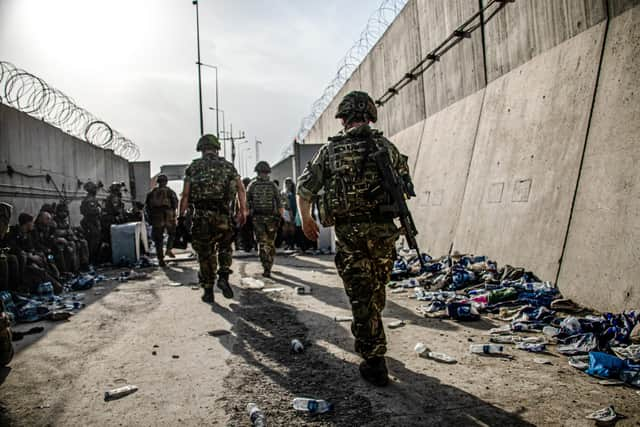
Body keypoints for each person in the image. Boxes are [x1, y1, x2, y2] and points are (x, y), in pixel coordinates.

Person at [296, 90, 414, 387]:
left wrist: (307, 219)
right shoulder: (387, 147)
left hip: (351, 233)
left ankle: (374, 359)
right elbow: (404, 185)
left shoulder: (330, 152)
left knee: (362, 293)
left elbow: (305, 189)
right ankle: (373, 341)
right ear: (370, 116)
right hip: (384, 232)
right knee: (375, 289)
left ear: (344, 118)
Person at [179, 134, 247, 303]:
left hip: (201, 216)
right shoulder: (228, 167)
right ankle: (223, 275)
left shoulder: (193, 168)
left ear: (201, 150)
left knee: (205, 253)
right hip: (223, 215)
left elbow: (185, 195)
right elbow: (241, 189)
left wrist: (180, 217)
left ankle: (208, 289)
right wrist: (243, 211)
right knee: (225, 247)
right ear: (217, 149)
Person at [247, 162, 284, 277]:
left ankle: (266, 266)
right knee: (269, 243)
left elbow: (247, 202)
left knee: (263, 243)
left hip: (259, 218)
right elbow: (279, 204)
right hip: (270, 218)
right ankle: (268, 266)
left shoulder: (252, 185)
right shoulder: (272, 185)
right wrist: (280, 217)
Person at [145, 174, 178, 267]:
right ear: (166, 181)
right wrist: (174, 214)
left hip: (156, 217)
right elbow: (175, 204)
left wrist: (150, 219)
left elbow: (147, 207)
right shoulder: (170, 192)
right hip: (168, 216)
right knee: (172, 233)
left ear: (157, 182)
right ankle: (168, 249)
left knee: (158, 239)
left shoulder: (152, 193)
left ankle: (160, 260)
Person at [80, 182, 102, 264]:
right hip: (90, 223)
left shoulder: (93, 199)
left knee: (96, 241)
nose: (96, 190)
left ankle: (94, 259)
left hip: (94, 222)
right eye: (94, 189)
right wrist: (98, 210)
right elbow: (88, 211)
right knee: (92, 242)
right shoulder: (89, 200)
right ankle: (91, 260)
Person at [0, 202, 19, 292]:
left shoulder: (6, 227)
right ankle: (3, 291)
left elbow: (6, 242)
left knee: (13, 258)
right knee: (3, 262)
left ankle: (13, 289)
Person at [282, 178, 297, 250]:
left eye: (289, 183)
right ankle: (287, 244)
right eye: (286, 183)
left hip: (293, 211)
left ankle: (292, 244)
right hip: (286, 212)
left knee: (292, 229)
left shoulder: (294, 193)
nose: (288, 185)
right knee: (285, 229)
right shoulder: (283, 193)